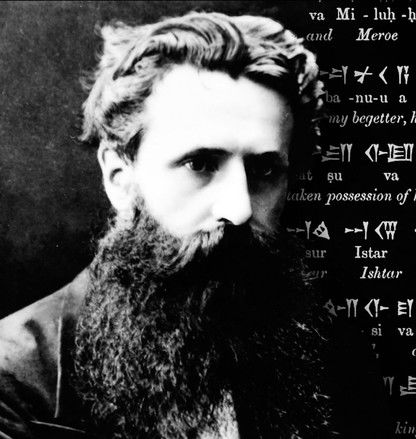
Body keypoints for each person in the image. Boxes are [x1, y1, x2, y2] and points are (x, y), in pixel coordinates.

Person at [0, 11, 385, 439]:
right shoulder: (14, 379)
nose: (239, 209)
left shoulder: (329, 356)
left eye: (264, 171)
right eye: (200, 164)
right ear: (120, 177)